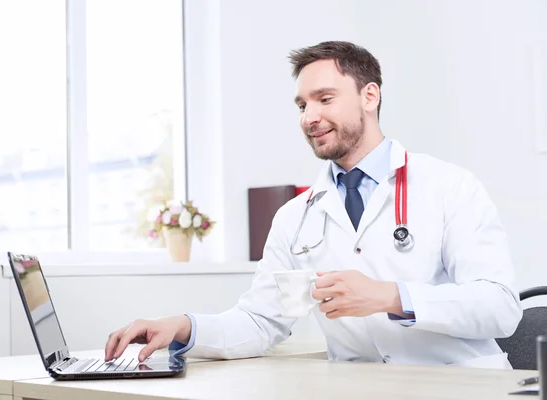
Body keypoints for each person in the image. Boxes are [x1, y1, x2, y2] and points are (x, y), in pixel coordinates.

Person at [105, 41, 522, 369]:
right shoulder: (295, 216)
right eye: (302, 105)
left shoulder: (449, 186)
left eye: (324, 98)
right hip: (362, 389)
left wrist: (392, 297)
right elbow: (260, 322)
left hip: (463, 384)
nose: (309, 117)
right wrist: (184, 326)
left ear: (370, 96)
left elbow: (500, 308)